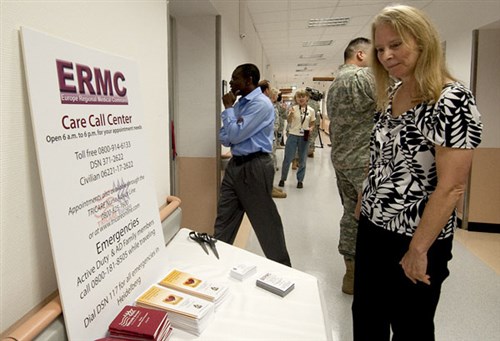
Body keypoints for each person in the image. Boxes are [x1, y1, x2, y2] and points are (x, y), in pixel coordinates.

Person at [352, 5, 483, 341]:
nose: (386, 56)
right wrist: (364, 198)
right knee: (367, 317)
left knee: (411, 326)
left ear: (423, 42)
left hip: (415, 236)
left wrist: (418, 250)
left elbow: (452, 187)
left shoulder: (450, 99)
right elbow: (381, 153)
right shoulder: (394, 92)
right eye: (380, 49)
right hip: (374, 227)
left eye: (396, 45)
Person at [215, 64, 291, 266]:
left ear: (249, 79)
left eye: (234, 78)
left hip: (255, 165)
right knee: (224, 220)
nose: (231, 83)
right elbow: (224, 137)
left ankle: (283, 270)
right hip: (235, 166)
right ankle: (217, 266)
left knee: (265, 223)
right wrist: (234, 126)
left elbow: (234, 134)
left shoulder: (261, 104)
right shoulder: (240, 104)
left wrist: (229, 112)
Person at [326, 37, 376, 295]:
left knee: (350, 212)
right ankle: (367, 271)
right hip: (364, 163)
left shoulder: (333, 86)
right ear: (359, 55)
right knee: (370, 217)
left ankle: (351, 271)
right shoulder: (363, 78)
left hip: (342, 159)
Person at [278, 89, 315, 189]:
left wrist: (311, 128)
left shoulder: (311, 110)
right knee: (288, 158)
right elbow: (289, 121)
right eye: (299, 97)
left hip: (305, 135)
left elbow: (312, 123)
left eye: (303, 96)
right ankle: (283, 178)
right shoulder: (293, 108)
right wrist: (290, 114)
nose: (301, 99)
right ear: (296, 99)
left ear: (307, 98)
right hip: (293, 135)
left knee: (302, 159)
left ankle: (300, 180)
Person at [258, 79, 287, 199]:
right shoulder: (264, 105)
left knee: (272, 161)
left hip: (271, 137)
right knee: (268, 164)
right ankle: (267, 188)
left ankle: (270, 185)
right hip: (266, 138)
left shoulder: (270, 105)